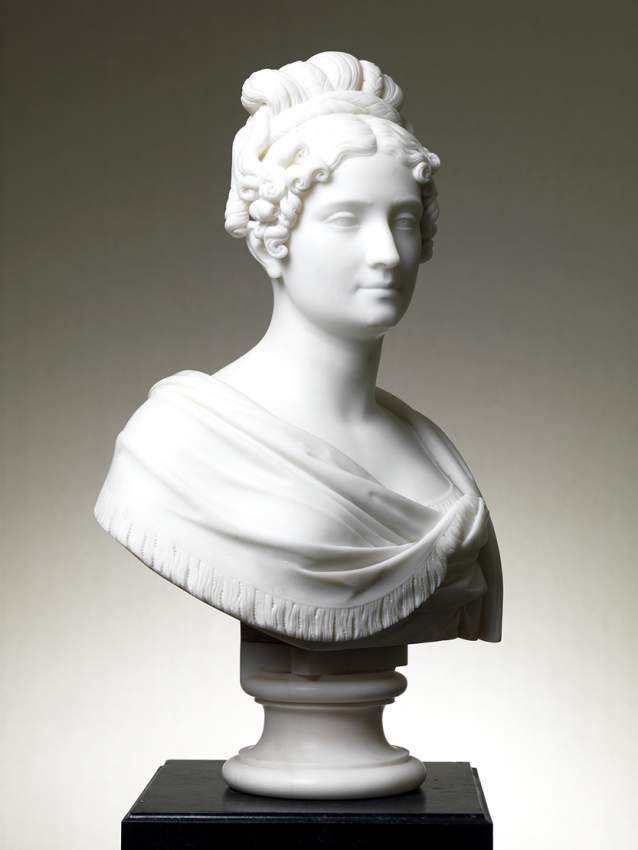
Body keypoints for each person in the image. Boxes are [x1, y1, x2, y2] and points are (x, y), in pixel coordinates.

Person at [94, 51, 502, 647]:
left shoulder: (432, 453)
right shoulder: (177, 444)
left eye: (404, 221)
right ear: (271, 241)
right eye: (345, 219)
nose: (387, 254)